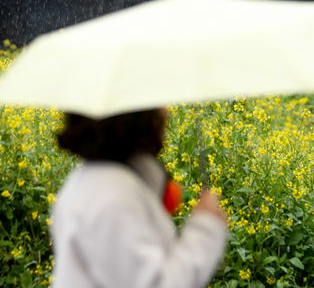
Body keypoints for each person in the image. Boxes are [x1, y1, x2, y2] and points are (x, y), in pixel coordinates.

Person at [50, 108, 228, 288]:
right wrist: (205, 228)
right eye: (158, 108)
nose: (166, 112)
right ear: (136, 118)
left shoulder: (91, 180)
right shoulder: (113, 197)